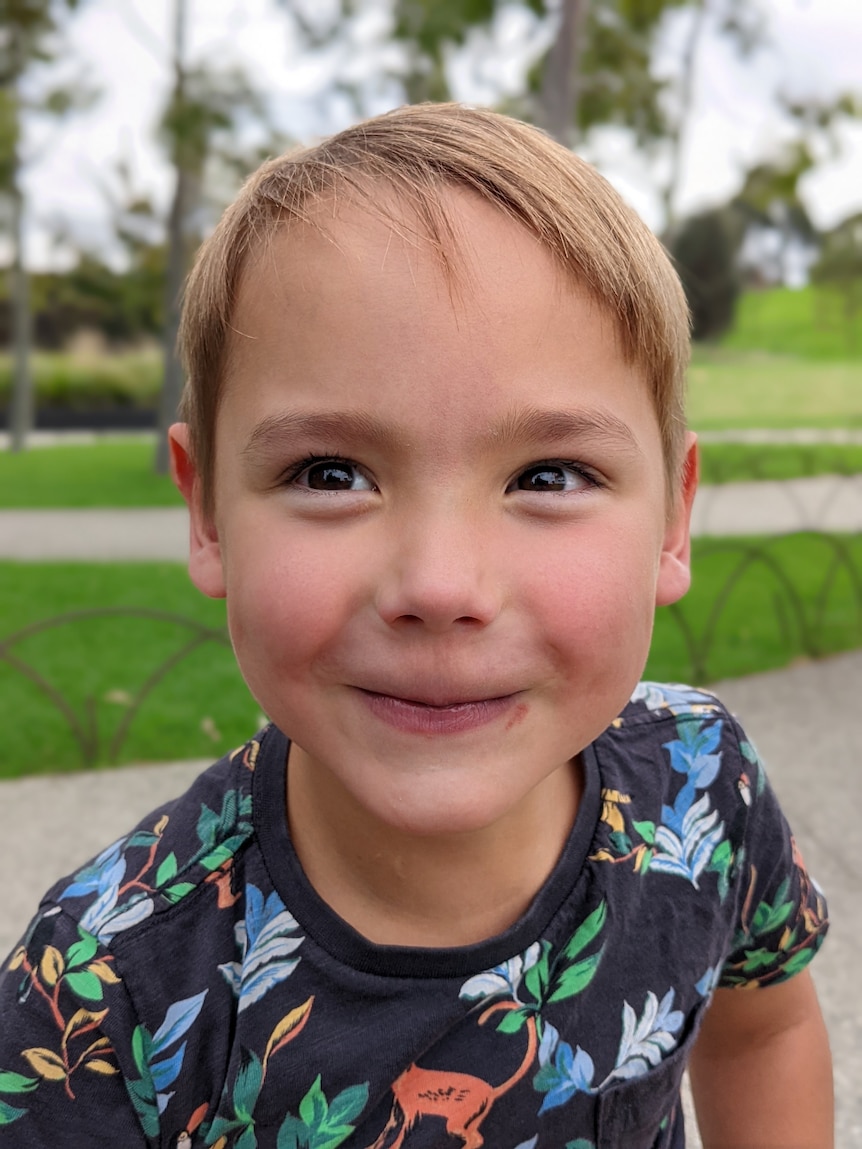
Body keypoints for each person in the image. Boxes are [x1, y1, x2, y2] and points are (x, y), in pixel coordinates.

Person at [0, 104, 832, 1149]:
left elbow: (760, 1032)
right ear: (207, 510)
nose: (440, 585)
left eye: (548, 475)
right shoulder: (95, 994)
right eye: (330, 474)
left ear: (672, 518)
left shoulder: (709, 791)